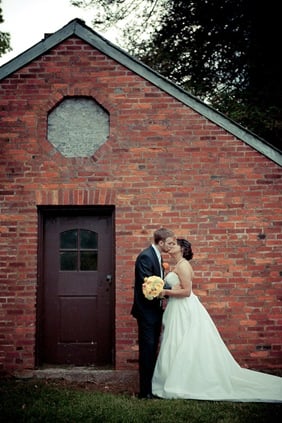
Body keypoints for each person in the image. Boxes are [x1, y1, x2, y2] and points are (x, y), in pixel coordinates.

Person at [152, 238, 282, 402]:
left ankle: (184, 381)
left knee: (183, 342)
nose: (170, 247)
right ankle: (175, 377)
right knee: (176, 342)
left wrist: (165, 293)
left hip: (184, 308)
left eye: (174, 244)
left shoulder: (184, 265)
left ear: (182, 249)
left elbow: (186, 292)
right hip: (176, 308)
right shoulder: (177, 265)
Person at [131, 227, 175, 399]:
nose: (171, 246)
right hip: (146, 313)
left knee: (152, 349)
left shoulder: (157, 256)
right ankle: (145, 392)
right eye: (169, 243)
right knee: (147, 350)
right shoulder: (145, 256)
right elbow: (148, 285)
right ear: (161, 242)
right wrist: (171, 290)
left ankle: (151, 388)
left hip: (155, 311)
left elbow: (158, 282)